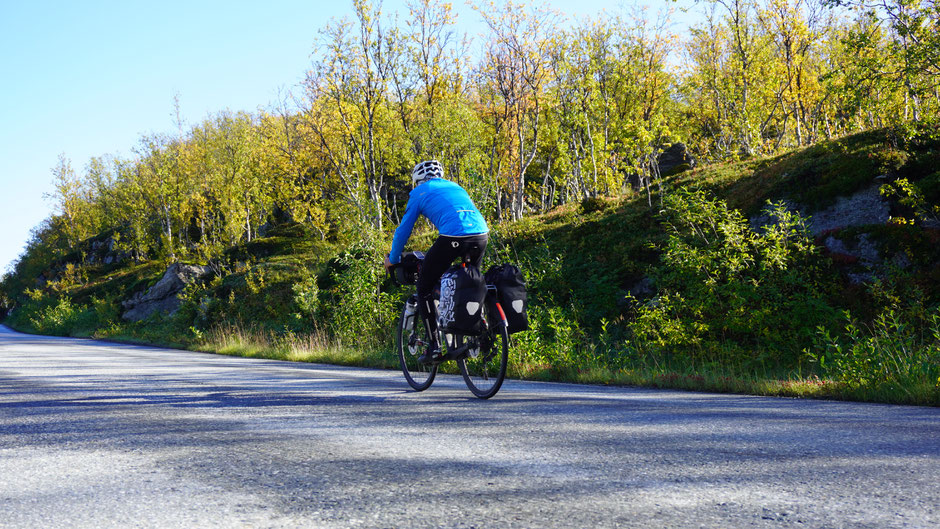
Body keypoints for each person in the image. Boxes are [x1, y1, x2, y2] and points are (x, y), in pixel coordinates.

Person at [384, 160, 489, 363]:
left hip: (453, 237)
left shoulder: (419, 193)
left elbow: (403, 231)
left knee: (424, 286)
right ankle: (479, 325)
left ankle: (434, 347)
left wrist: (393, 259)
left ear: (418, 180)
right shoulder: (456, 186)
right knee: (471, 283)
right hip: (481, 235)